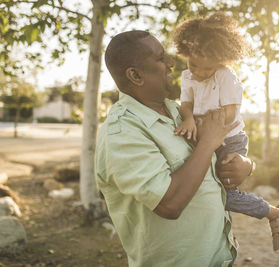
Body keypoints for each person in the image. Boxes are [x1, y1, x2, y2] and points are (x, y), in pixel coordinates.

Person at [96, 30, 255, 266]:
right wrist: (207, 143)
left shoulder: (177, 112)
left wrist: (247, 166)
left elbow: (218, 154)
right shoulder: (121, 132)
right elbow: (169, 204)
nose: (171, 64)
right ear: (135, 76)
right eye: (161, 58)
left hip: (219, 257)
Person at [173, 13, 279, 252]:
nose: (200, 73)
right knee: (205, 189)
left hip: (230, 139)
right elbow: (186, 104)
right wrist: (188, 119)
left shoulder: (226, 76)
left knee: (225, 195)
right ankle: (222, 234)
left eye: (208, 68)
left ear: (221, 61)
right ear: (185, 53)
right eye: (193, 64)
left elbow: (229, 114)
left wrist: (202, 124)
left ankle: (276, 214)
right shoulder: (187, 76)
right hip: (207, 137)